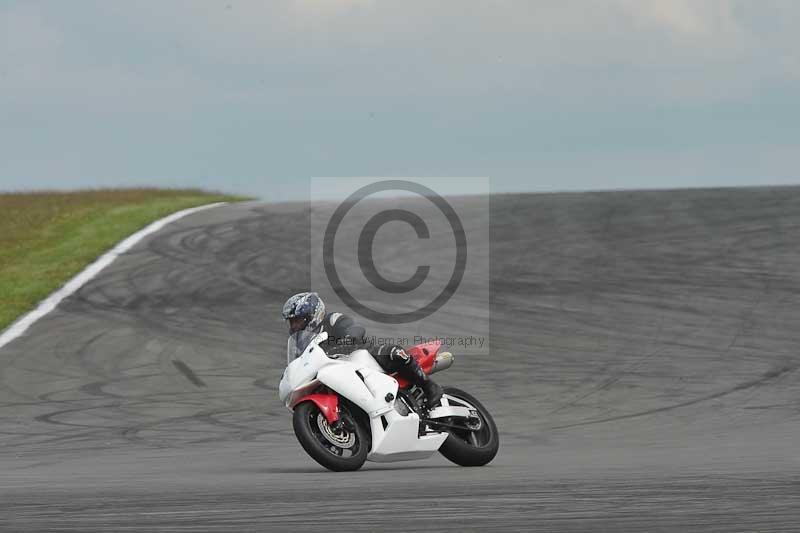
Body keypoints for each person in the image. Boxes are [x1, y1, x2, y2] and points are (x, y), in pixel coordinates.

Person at [282, 291, 444, 406]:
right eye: (291, 322)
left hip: (363, 356)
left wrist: (346, 341)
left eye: (297, 320)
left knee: (395, 353)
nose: (294, 325)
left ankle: (429, 386)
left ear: (312, 315)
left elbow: (355, 329)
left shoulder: (332, 320)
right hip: (335, 374)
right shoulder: (300, 344)